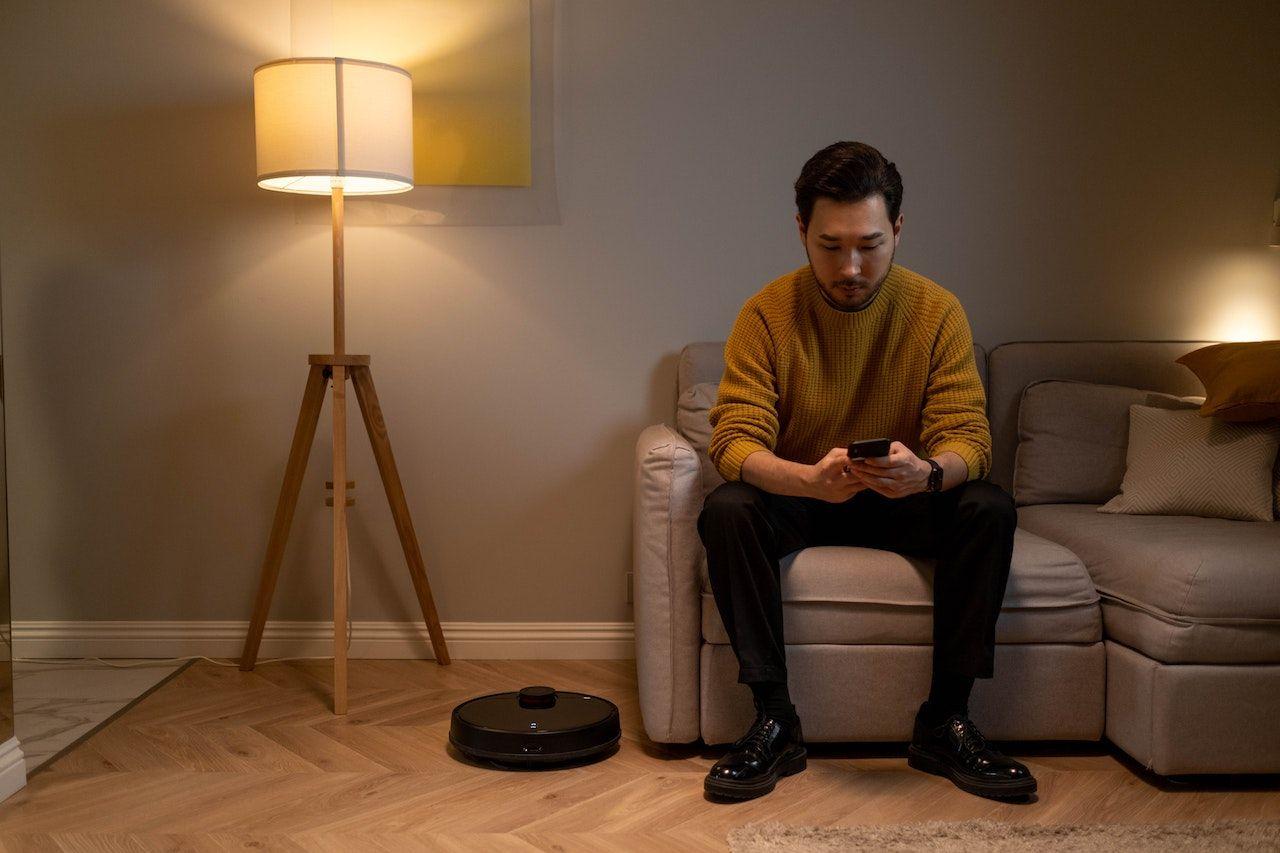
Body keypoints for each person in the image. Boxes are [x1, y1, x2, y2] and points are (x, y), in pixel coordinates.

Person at [698, 141, 1035, 802]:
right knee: (728, 507)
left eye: (870, 244)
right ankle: (774, 719)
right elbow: (733, 439)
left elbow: (970, 436)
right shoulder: (766, 314)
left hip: (904, 496)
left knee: (987, 505)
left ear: (899, 231)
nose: (850, 267)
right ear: (801, 231)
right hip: (804, 493)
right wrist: (803, 479)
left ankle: (945, 720)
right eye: (830, 245)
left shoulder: (936, 312)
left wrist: (928, 473)